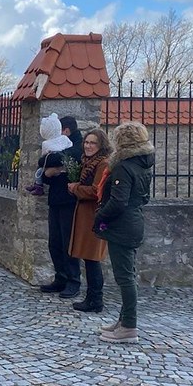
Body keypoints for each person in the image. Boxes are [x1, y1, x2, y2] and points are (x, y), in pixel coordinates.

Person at [93, 122, 154, 344]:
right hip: (133, 222)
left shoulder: (124, 167)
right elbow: (144, 197)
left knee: (125, 277)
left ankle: (129, 326)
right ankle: (123, 320)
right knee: (127, 274)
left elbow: (118, 201)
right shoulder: (142, 164)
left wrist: (100, 216)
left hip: (122, 225)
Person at [38, 114, 83, 298]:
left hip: (69, 201)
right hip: (56, 199)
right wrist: (47, 172)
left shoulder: (76, 146)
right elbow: (43, 166)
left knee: (68, 243)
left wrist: (49, 164)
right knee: (54, 243)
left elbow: (54, 160)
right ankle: (61, 277)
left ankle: (73, 280)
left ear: (65, 131)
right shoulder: (58, 146)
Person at [66, 129, 111, 313]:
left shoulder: (102, 164)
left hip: (94, 215)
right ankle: (91, 298)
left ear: (101, 145)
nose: (88, 146)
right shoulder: (88, 162)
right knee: (88, 258)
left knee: (92, 259)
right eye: (87, 142)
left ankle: (95, 300)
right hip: (85, 214)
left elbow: (95, 191)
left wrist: (76, 188)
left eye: (93, 143)